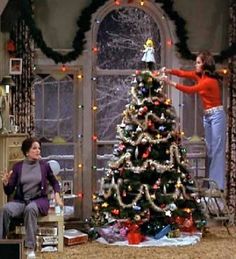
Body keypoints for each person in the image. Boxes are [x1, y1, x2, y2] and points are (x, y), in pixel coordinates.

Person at [162, 50, 226, 191]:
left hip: (217, 116)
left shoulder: (209, 81)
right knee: (210, 150)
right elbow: (183, 74)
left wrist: (170, 83)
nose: (195, 65)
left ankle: (217, 185)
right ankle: (210, 183)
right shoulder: (199, 76)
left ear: (205, 64)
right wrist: (169, 70)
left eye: (198, 62)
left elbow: (191, 90)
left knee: (217, 150)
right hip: (208, 116)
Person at [0, 137, 63, 258]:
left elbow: (54, 182)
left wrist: (57, 195)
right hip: (21, 201)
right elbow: (9, 191)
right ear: (27, 152)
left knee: (30, 209)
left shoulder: (44, 166)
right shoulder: (18, 167)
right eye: (34, 148)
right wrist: (6, 183)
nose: (38, 151)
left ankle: (30, 248)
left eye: (39, 148)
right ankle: (2, 242)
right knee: (5, 209)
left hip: (39, 201)